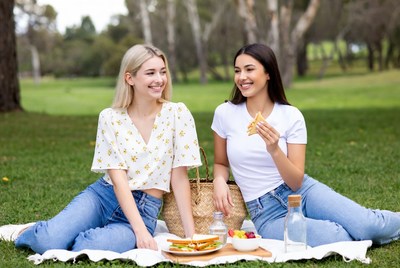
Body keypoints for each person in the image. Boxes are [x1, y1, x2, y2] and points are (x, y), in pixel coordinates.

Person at [0, 44, 201, 254]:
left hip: (145, 209)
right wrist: (140, 233)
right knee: (47, 241)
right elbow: (118, 180)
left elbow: (179, 178)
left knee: (87, 247)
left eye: (162, 71)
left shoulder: (178, 114)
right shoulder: (110, 118)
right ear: (129, 78)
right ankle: (34, 231)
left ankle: (66, 232)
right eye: (150, 73)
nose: (159, 79)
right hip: (102, 198)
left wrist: (191, 236)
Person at [211, 43, 400, 247]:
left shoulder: (291, 116)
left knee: (366, 227)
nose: (241, 77)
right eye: (237, 71)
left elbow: (295, 181)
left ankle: (376, 223)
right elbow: (221, 163)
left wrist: (275, 150)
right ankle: (358, 229)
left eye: (249, 69)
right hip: (266, 213)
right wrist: (219, 181)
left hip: (303, 193)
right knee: (337, 237)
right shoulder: (225, 113)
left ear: (268, 73)